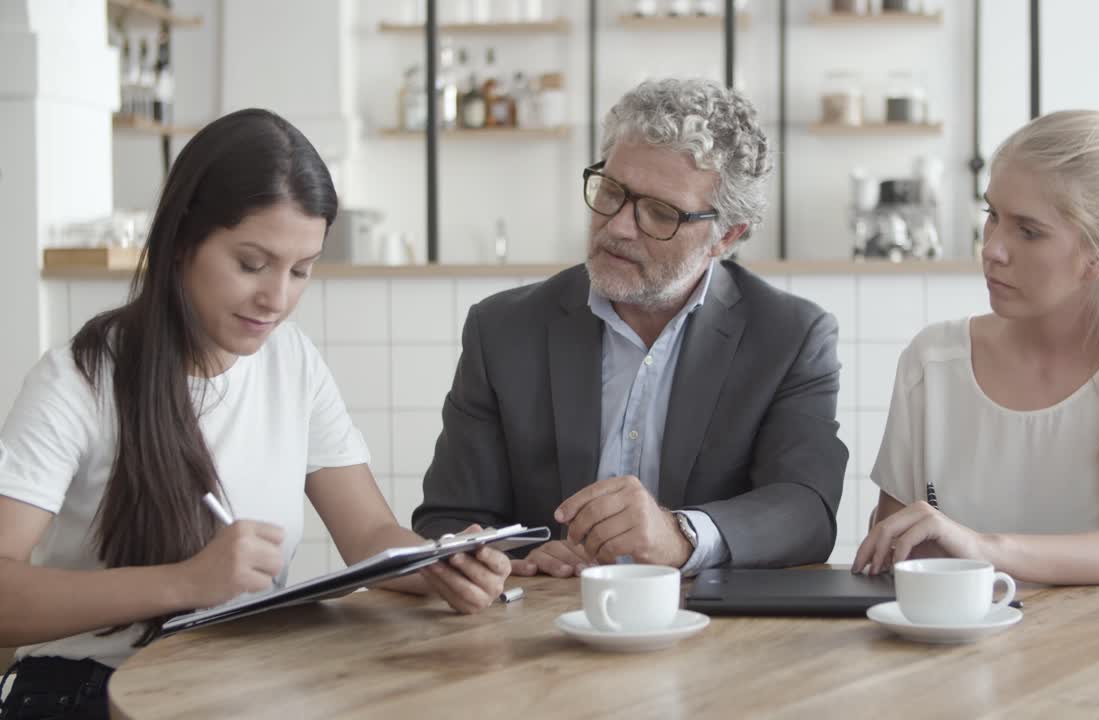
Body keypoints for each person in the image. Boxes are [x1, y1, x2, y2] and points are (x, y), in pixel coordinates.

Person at [0, 109, 509, 719]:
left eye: (301, 271)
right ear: (182, 239)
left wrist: (438, 564)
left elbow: (368, 536)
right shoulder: (79, 379)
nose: (277, 299)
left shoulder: (291, 361)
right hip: (87, 689)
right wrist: (188, 582)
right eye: (251, 264)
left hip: (237, 681)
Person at [413, 78, 847, 578]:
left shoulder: (790, 337)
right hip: (545, 632)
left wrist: (682, 535)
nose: (618, 226)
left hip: (713, 636)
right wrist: (515, 560)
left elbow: (806, 512)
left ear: (725, 236)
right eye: (612, 192)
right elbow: (446, 520)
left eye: (660, 213)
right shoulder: (503, 329)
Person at [853, 110, 1099, 588]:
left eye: (1028, 231)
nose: (992, 247)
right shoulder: (931, 363)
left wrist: (984, 548)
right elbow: (892, 552)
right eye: (992, 215)